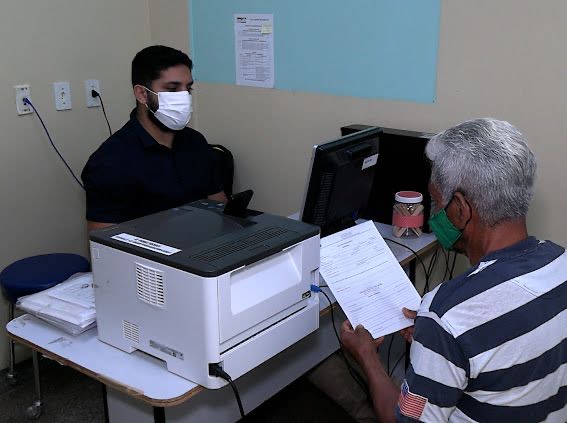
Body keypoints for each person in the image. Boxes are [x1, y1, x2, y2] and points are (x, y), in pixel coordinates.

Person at [340, 118, 567, 422]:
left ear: (460, 208)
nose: (435, 215)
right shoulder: (560, 262)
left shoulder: (449, 315)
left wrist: (367, 355)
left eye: (436, 202)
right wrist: (435, 343)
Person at [81, 45, 227, 232]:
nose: (183, 97)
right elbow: (104, 243)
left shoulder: (195, 142)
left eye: (187, 89)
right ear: (142, 94)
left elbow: (220, 204)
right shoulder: (110, 161)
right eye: (172, 89)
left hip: (204, 247)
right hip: (150, 257)